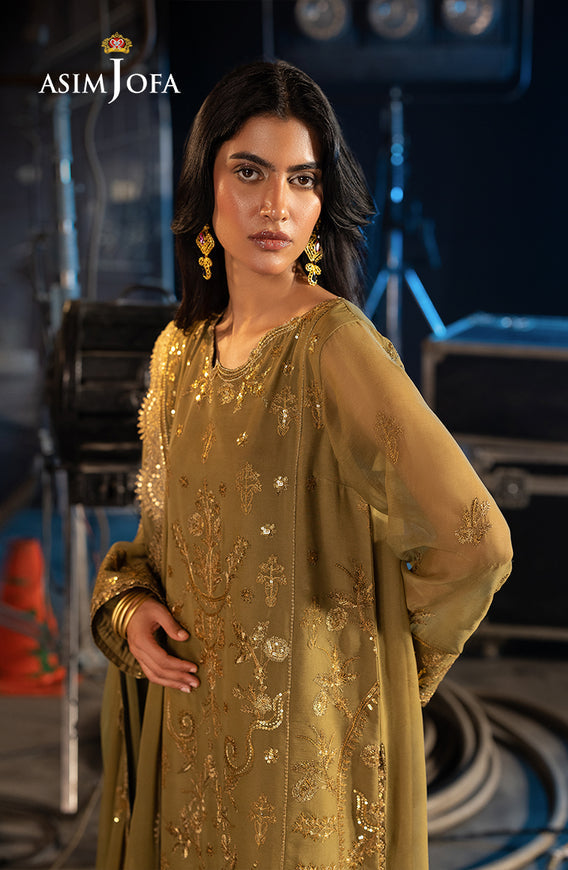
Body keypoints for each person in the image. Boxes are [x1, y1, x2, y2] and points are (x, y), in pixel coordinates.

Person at [91, 60, 512, 870]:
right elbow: (157, 545)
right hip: (189, 737)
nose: (275, 205)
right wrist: (133, 611)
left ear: (323, 202)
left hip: (304, 762)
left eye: (302, 179)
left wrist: (382, 670)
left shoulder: (335, 346)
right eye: (249, 172)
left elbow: (476, 542)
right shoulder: (179, 353)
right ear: (205, 184)